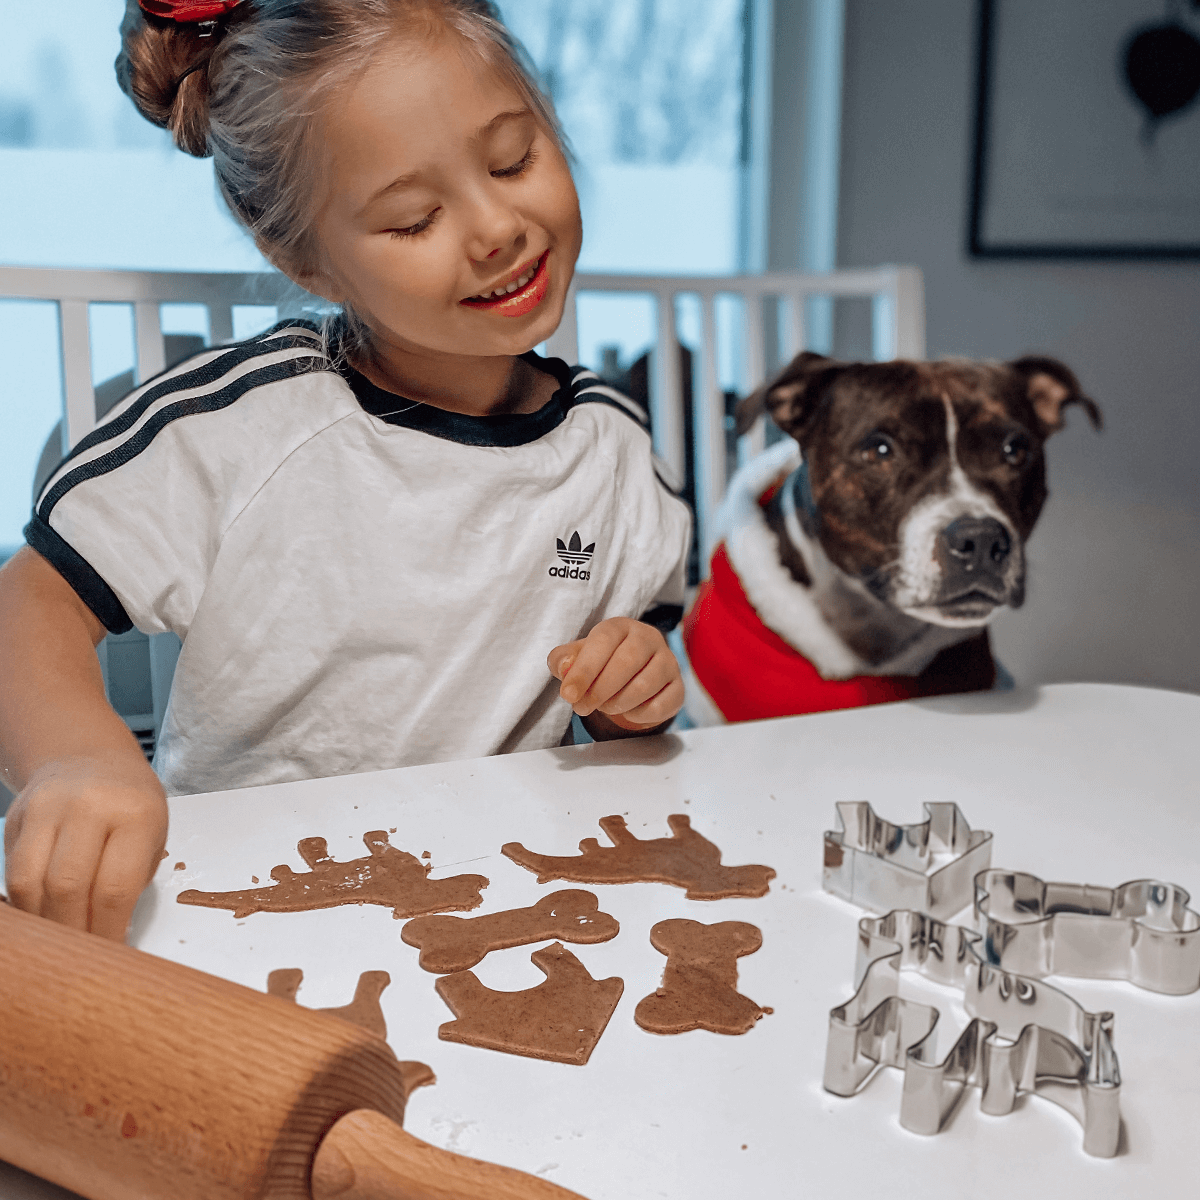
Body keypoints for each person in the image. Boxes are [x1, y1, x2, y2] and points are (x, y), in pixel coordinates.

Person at [0, 0, 691, 943]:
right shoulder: (240, 426)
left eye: (513, 160)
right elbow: (26, 609)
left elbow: (629, 692)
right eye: (413, 220)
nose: (495, 227)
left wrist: (632, 693)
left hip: (494, 906)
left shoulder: (612, 449)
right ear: (302, 256)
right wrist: (74, 761)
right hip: (248, 907)